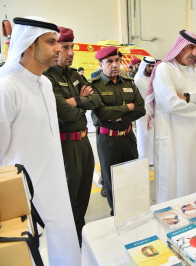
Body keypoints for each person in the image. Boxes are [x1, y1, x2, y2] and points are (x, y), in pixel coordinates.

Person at [0, 16, 80, 265]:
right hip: (26, 197)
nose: (59, 48)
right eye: (51, 42)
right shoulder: (7, 87)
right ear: (28, 45)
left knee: (64, 249)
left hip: (55, 186)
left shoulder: (45, 83)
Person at [145, 30, 196, 203]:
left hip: (195, 135)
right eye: (190, 47)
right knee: (172, 181)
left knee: (194, 175)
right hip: (171, 135)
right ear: (179, 47)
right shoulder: (165, 68)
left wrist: (188, 97)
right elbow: (170, 103)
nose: (194, 53)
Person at [43, 26, 101, 242]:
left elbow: (96, 100)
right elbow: (64, 113)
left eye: (72, 47)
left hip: (84, 143)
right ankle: (68, 241)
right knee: (67, 198)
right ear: (56, 48)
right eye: (65, 47)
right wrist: (81, 100)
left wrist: (75, 99)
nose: (71, 52)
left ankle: (79, 234)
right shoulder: (47, 78)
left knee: (83, 194)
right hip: (64, 147)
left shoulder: (75, 75)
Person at [91, 46, 145, 215]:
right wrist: (127, 107)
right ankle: (117, 213)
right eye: (109, 61)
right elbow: (101, 114)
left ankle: (133, 209)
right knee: (112, 179)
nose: (115, 65)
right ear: (101, 64)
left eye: (117, 60)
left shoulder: (129, 83)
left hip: (128, 136)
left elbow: (141, 109)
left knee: (132, 175)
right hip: (108, 140)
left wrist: (119, 116)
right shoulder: (95, 86)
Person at [134, 56, 156, 165]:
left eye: (153, 66)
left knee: (152, 135)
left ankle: (152, 159)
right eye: (149, 66)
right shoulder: (138, 80)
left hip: (154, 111)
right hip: (142, 113)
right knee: (143, 136)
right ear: (144, 65)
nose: (151, 68)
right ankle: (143, 158)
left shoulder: (155, 78)